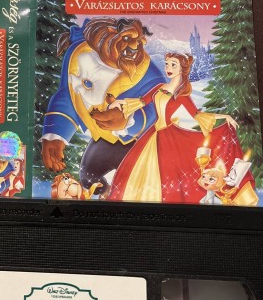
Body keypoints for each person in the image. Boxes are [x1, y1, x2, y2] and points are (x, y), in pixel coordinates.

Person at [107, 52, 252, 204]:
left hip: (168, 135)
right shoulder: (159, 88)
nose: (168, 68)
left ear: (182, 69)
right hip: (153, 133)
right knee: (137, 168)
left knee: (169, 171)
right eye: (167, 64)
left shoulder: (182, 95)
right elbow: (141, 101)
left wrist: (224, 116)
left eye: (173, 65)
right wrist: (119, 103)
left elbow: (197, 114)